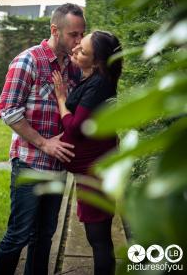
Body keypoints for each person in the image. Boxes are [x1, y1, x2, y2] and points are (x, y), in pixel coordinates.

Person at [0, 3, 85, 275]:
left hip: (57, 167)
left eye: (83, 34)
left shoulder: (73, 67)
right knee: (18, 235)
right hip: (30, 165)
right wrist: (45, 143)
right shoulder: (28, 61)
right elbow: (7, 110)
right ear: (55, 30)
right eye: (73, 35)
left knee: (44, 237)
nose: (79, 41)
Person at [52, 30, 122, 275]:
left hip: (96, 175)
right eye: (78, 45)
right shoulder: (94, 79)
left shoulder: (100, 83)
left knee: (99, 239)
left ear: (97, 62)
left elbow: (75, 127)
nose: (74, 50)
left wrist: (61, 99)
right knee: (97, 238)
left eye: (82, 50)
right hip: (90, 174)